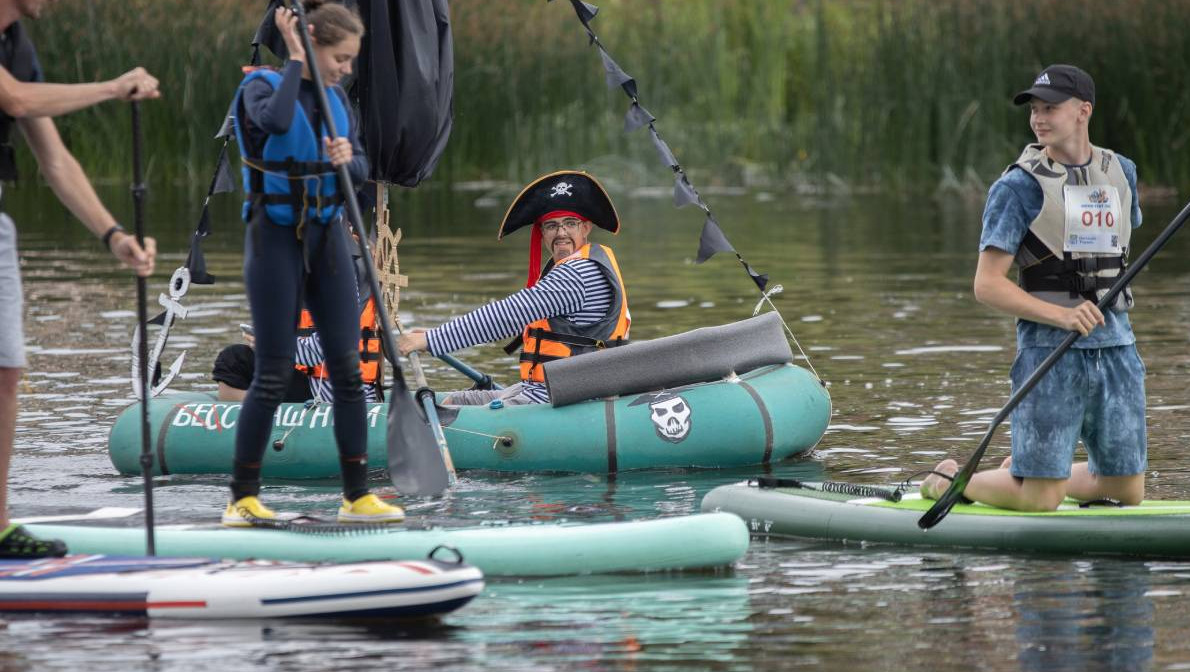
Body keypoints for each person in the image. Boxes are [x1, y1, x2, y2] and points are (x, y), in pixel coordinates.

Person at [921, 65, 1146, 512]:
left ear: (1083, 111)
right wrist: (1062, 315)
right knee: (1041, 500)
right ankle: (950, 478)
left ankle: (1025, 473)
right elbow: (987, 286)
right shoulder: (1017, 187)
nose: (1039, 118)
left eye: (1051, 108)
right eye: (1035, 110)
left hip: (1117, 344)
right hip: (1049, 349)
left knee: (1127, 492)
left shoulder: (1121, 172)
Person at [225, 1, 402, 526]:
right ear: (313, 47)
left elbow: (363, 178)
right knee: (274, 370)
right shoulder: (259, 88)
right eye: (341, 58)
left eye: (352, 60)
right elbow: (277, 122)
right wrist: (298, 61)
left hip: (325, 239)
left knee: (346, 368)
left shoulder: (338, 103)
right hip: (274, 236)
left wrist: (353, 159)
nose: (347, 69)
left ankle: (356, 495)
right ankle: (242, 499)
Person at [0, 0, 159, 558]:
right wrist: (114, 88)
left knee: (7, 370)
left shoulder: (17, 44)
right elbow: (14, 98)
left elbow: (55, 159)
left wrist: (115, 236)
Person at [397, 170, 630, 405]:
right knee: (452, 401)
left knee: (445, 410)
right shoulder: (575, 265)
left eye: (570, 223)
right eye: (551, 226)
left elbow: (506, 316)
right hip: (544, 390)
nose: (561, 233)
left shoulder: (577, 274)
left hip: (563, 399)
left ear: (586, 228)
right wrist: (436, 333)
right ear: (542, 233)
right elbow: (517, 318)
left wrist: (432, 340)